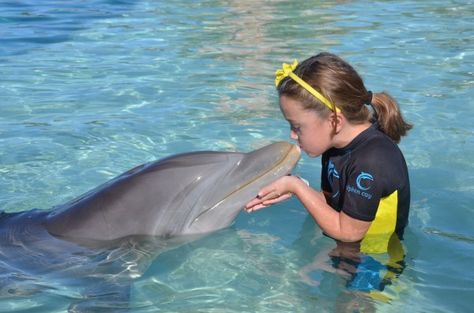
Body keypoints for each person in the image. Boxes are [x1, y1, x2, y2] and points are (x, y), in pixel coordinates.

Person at [245, 52, 412, 256]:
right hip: (350, 254)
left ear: (335, 121)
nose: (292, 134)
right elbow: (335, 206)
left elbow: (348, 232)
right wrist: (300, 187)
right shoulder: (335, 148)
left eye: (297, 127)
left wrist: (296, 187)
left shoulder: (372, 161)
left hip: (377, 264)